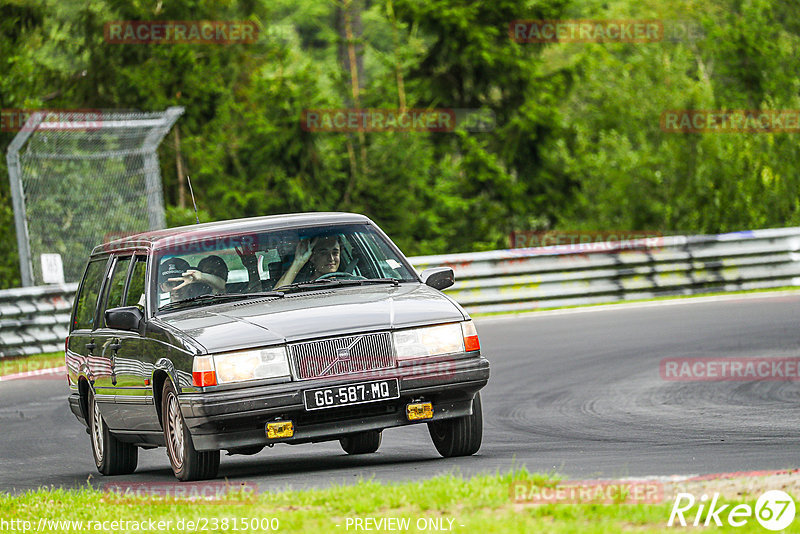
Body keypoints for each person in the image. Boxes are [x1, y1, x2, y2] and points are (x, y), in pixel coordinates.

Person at [274, 236, 341, 288]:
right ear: (312, 258)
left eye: (335, 253)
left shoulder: (349, 282)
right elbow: (276, 298)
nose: (331, 258)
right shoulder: (300, 285)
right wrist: (298, 261)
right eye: (323, 253)